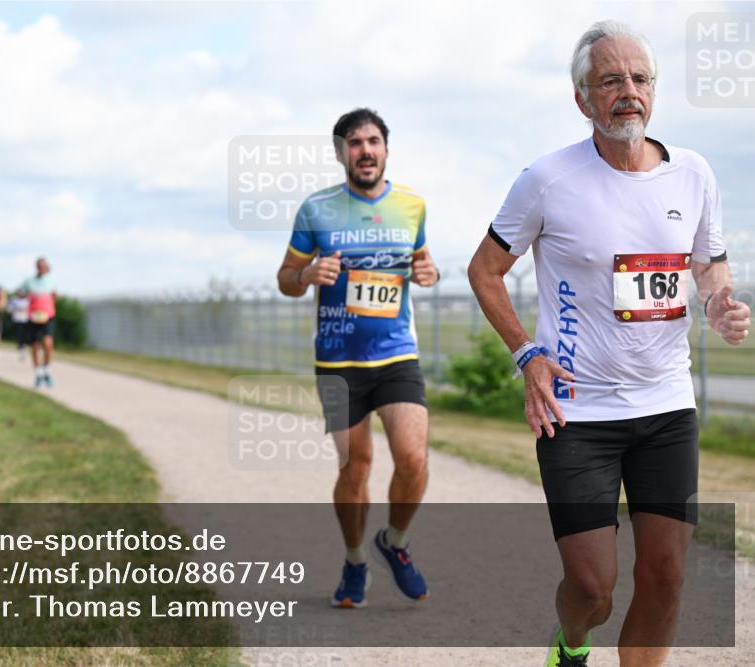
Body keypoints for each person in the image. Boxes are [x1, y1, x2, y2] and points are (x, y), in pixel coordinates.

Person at [467, 20, 750, 667]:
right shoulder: (545, 179)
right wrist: (525, 352)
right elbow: (484, 271)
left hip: (666, 404)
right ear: (583, 99)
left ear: (655, 90)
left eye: (640, 78)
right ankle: (570, 643)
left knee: (667, 574)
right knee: (593, 587)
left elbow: (709, 263)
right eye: (610, 80)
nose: (628, 91)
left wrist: (718, 302)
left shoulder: (695, 174)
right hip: (576, 411)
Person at [276, 108, 440, 609]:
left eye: (373, 141)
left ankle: (393, 542)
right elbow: (285, 277)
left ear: (386, 149)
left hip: (395, 354)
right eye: (354, 142)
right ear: (340, 152)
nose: (364, 150)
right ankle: (353, 562)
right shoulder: (316, 209)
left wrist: (427, 271)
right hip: (338, 360)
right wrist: (306, 277)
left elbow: (421, 263)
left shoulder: (412, 205)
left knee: (413, 458)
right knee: (356, 468)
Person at [22, 258, 58, 388]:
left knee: (48, 343)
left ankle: (46, 370)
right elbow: (21, 293)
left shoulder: (51, 280)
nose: (41, 268)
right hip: (34, 317)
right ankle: (38, 374)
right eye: (39, 266)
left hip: (47, 316)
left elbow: (55, 296)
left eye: (43, 266)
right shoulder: (29, 281)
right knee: (35, 346)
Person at [7, 289, 31, 361]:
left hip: (26, 320)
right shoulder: (14, 300)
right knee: (19, 335)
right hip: (17, 320)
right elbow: (9, 309)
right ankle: (21, 349)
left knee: (26, 335)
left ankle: (24, 347)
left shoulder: (28, 300)